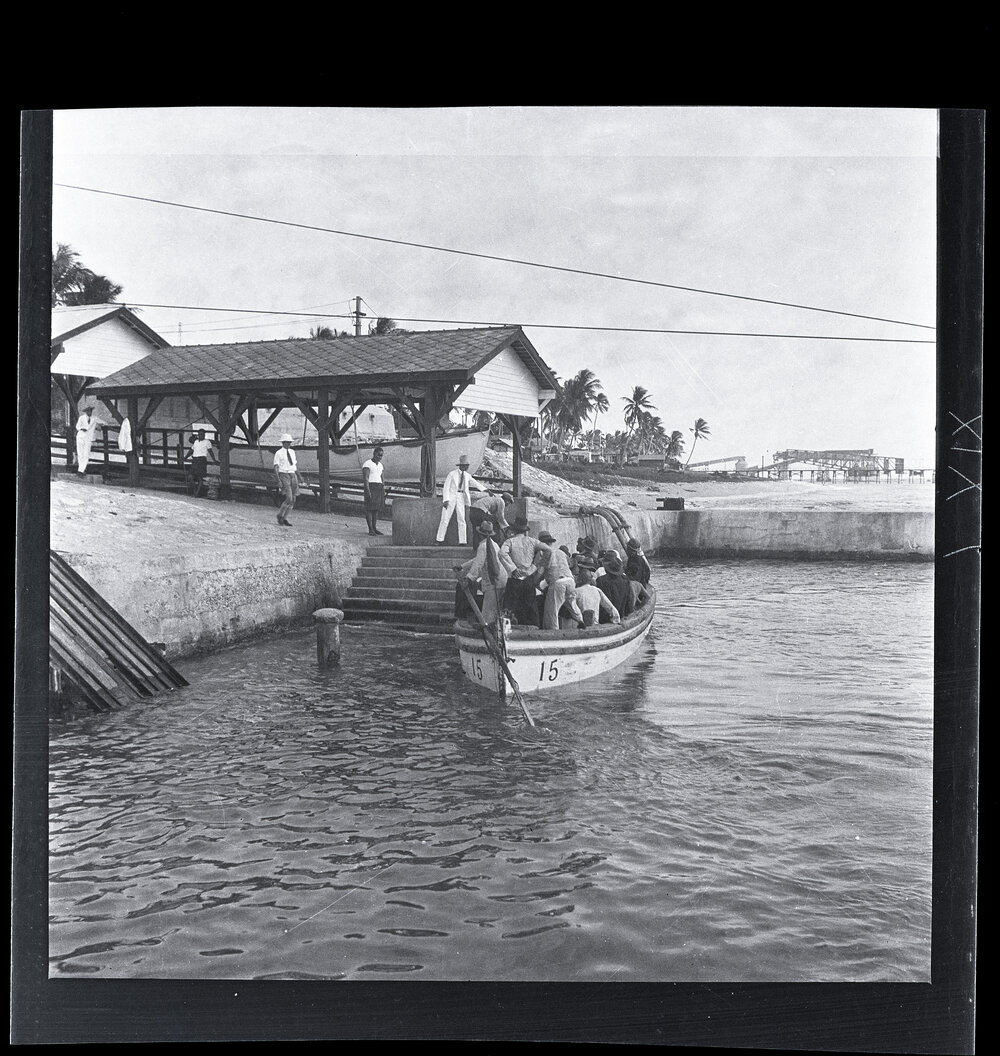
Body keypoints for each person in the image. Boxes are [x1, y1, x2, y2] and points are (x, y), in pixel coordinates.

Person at [454, 519, 516, 624]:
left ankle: (490, 632)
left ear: (480, 535)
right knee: (496, 609)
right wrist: (462, 566)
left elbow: (478, 564)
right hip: (502, 578)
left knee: (489, 612)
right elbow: (477, 559)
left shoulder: (483, 546)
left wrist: (469, 578)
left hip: (493, 581)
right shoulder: (493, 544)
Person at [499, 515, 550, 627]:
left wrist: (512, 568)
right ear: (525, 530)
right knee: (531, 607)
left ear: (514, 530)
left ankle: (505, 630)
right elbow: (548, 550)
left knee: (508, 607)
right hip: (528, 577)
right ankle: (534, 631)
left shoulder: (510, 542)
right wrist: (535, 567)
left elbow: (502, 553)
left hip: (515, 577)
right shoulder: (533, 542)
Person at [536, 531, 584, 630]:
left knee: (551, 611)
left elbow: (540, 571)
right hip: (570, 580)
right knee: (571, 603)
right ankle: (580, 621)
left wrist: (533, 583)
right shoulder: (561, 552)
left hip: (557, 582)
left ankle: (553, 633)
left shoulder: (545, 552)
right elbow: (571, 564)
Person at [436, 454, 486, 545]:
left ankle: (462, 541)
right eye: (465, 466)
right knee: (445, 519)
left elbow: (475, 483)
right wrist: (446, 499)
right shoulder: (452, 474)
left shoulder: (467, 475)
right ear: (461, 466)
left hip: (461, 497)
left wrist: (485, 489)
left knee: (462, 519)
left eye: (467, 466)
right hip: (451, 497)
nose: (466, 467)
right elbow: (446, 487)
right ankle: (439, 540)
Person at [574, 558, 620, 626]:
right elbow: (610, 607)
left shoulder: (575, 592)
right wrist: (616, 620)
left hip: (580, 626)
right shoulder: (597, 590)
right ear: (590, 580)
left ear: (579, 580)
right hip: (595, 625)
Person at [273, 433, 302, 527]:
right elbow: (276, 467)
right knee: (289, 497)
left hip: (292, 474)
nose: (289, 444)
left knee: (293, 499)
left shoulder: (292, 452)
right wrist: (278, 480)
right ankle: (280, 515)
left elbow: (294, 465)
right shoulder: (278, 453)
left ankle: (284, 518)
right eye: (287, 442)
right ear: (283, 443)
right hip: (284, 474)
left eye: (290, 442)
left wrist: (299, 476)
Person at [598, 553, 635, 618]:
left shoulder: (602, 581)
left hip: (607, 617)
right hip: (622, 614)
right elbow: (630, 599)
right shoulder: (625, 579)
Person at [184, 428, 218, 497]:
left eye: (202, 434)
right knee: (190, 476)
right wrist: (185, 457)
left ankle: (196, 493)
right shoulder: (196, 442)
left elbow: (210, 451)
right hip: (195, 460)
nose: (201, 435)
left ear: (204, 435)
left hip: (201, 460)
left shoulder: (207, 442)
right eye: (200, 434)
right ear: (198, 435)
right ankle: (195, 490)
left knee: (200, 478)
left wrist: (214, 460)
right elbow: (191, 450)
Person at [361, 446, 387, 536]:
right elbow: (366, 479)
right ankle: (370, 529)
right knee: (369, 509)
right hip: (371, 487)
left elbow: (382, 478)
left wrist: (383, 488)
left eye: (381, 456)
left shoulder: (380, 465)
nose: (380, 457)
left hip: (378, 487)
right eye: (378, 455)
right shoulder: (367, 464)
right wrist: (367, 491)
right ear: (374, 454)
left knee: (376, 509)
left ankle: (374, 528)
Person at [625, 537, 652, 605]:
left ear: (630, 550)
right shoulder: (633, 558)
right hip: (640, 584)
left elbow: (637, 577)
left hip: (638, 588)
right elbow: (647, 574)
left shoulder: (636, 561)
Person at [75, 403, 98, 474]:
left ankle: (81, 470)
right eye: (88, 411)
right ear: (86, 412)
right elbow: (77, 426)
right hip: (81, 436)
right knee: (80, 453)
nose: (89, 412)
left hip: (88, 438)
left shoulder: (94, 419)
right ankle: (80, 469)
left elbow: (102, 423)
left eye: (90, 411)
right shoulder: (81, 418)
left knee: (86, 454)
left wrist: (99, 426)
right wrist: (82, 428)